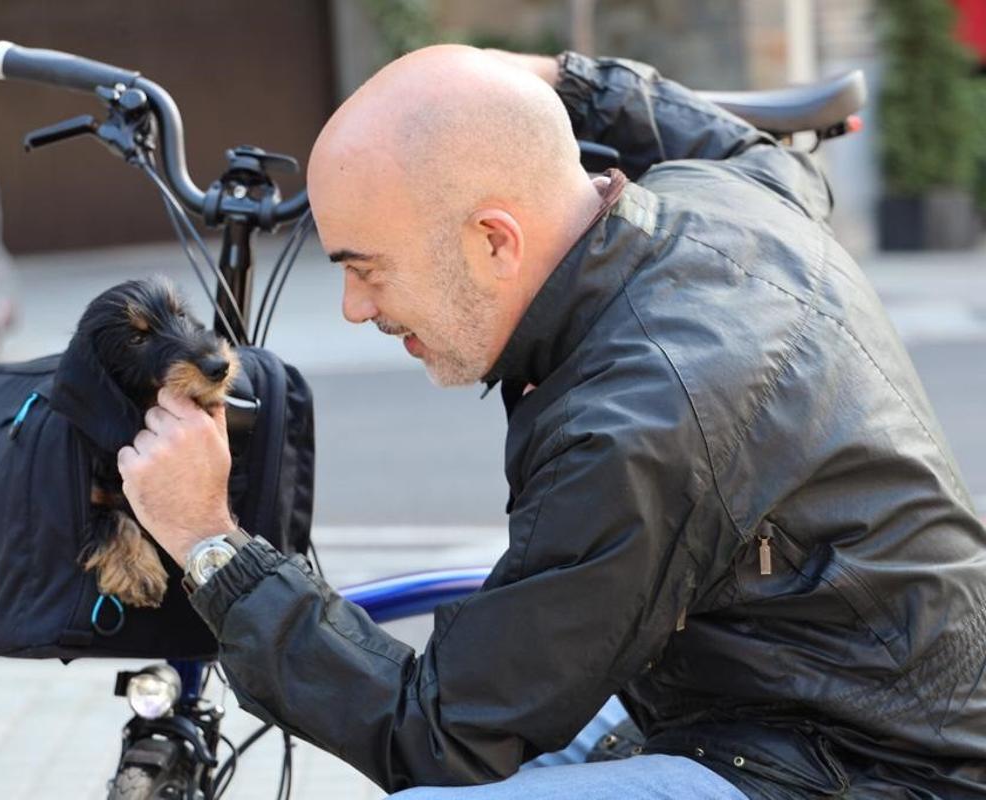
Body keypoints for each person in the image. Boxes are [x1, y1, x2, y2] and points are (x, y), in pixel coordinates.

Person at [117, 45, 986, 798]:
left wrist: (210, 543)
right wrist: (550, 77)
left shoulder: (633, 426)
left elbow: (439, 737)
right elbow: (749, 146)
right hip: (801, 701)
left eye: (367, 269)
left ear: (496, 241)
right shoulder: (735, 201)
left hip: (862, 769)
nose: (351, 308)